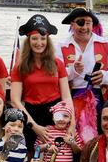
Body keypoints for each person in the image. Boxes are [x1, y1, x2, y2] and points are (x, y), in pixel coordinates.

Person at [11, 14, 75, 154]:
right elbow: (15, 100)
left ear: (48, 40)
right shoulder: (20, 66)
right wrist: (34, 126)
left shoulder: (57, 63)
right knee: (32, 156)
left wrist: (72, 123)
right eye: (34, 38)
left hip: (56, 114)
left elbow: (66, 97)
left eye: (42, 38)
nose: (39, 42)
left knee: (57, 156)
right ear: (28, 41)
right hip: (30, 114)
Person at [56, 8, 108, 133]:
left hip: (98, 95)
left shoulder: (106, 44)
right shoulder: (61, 46)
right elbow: (56, 74)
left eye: (88, 23)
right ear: (72, 24)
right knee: (73, 133)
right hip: (70, 95)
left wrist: (104, 76)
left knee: (98, 133)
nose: (84, 27)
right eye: (80, 22)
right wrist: (73, 70)